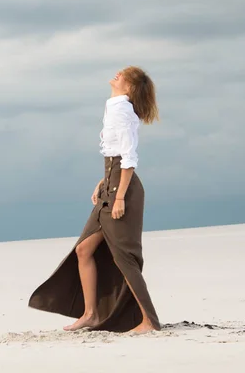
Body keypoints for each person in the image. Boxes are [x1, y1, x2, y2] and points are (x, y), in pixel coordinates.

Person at [27, 66, 161, 334]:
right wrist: (104, 183)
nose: (117, 74)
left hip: (122, 191)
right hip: (111, 187)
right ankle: (91, 314)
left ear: (130, 88)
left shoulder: (122, 109)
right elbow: (114, 156)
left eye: (123, 75)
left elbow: (129, 156)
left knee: (125, 258)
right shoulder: (114, 106)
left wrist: (120, 195)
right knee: (84, 250)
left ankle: (149, 321)